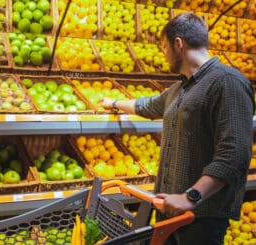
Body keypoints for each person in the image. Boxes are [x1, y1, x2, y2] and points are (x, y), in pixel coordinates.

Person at [101, 12, 255, 245]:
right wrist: (113, 104)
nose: (164, 55)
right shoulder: (180, 89)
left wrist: (191, 197)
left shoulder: (227, 82)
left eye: (164, 48)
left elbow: (234, 154)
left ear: (178, 44)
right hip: (169, 210)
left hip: (200, 217)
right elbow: (148, 105)